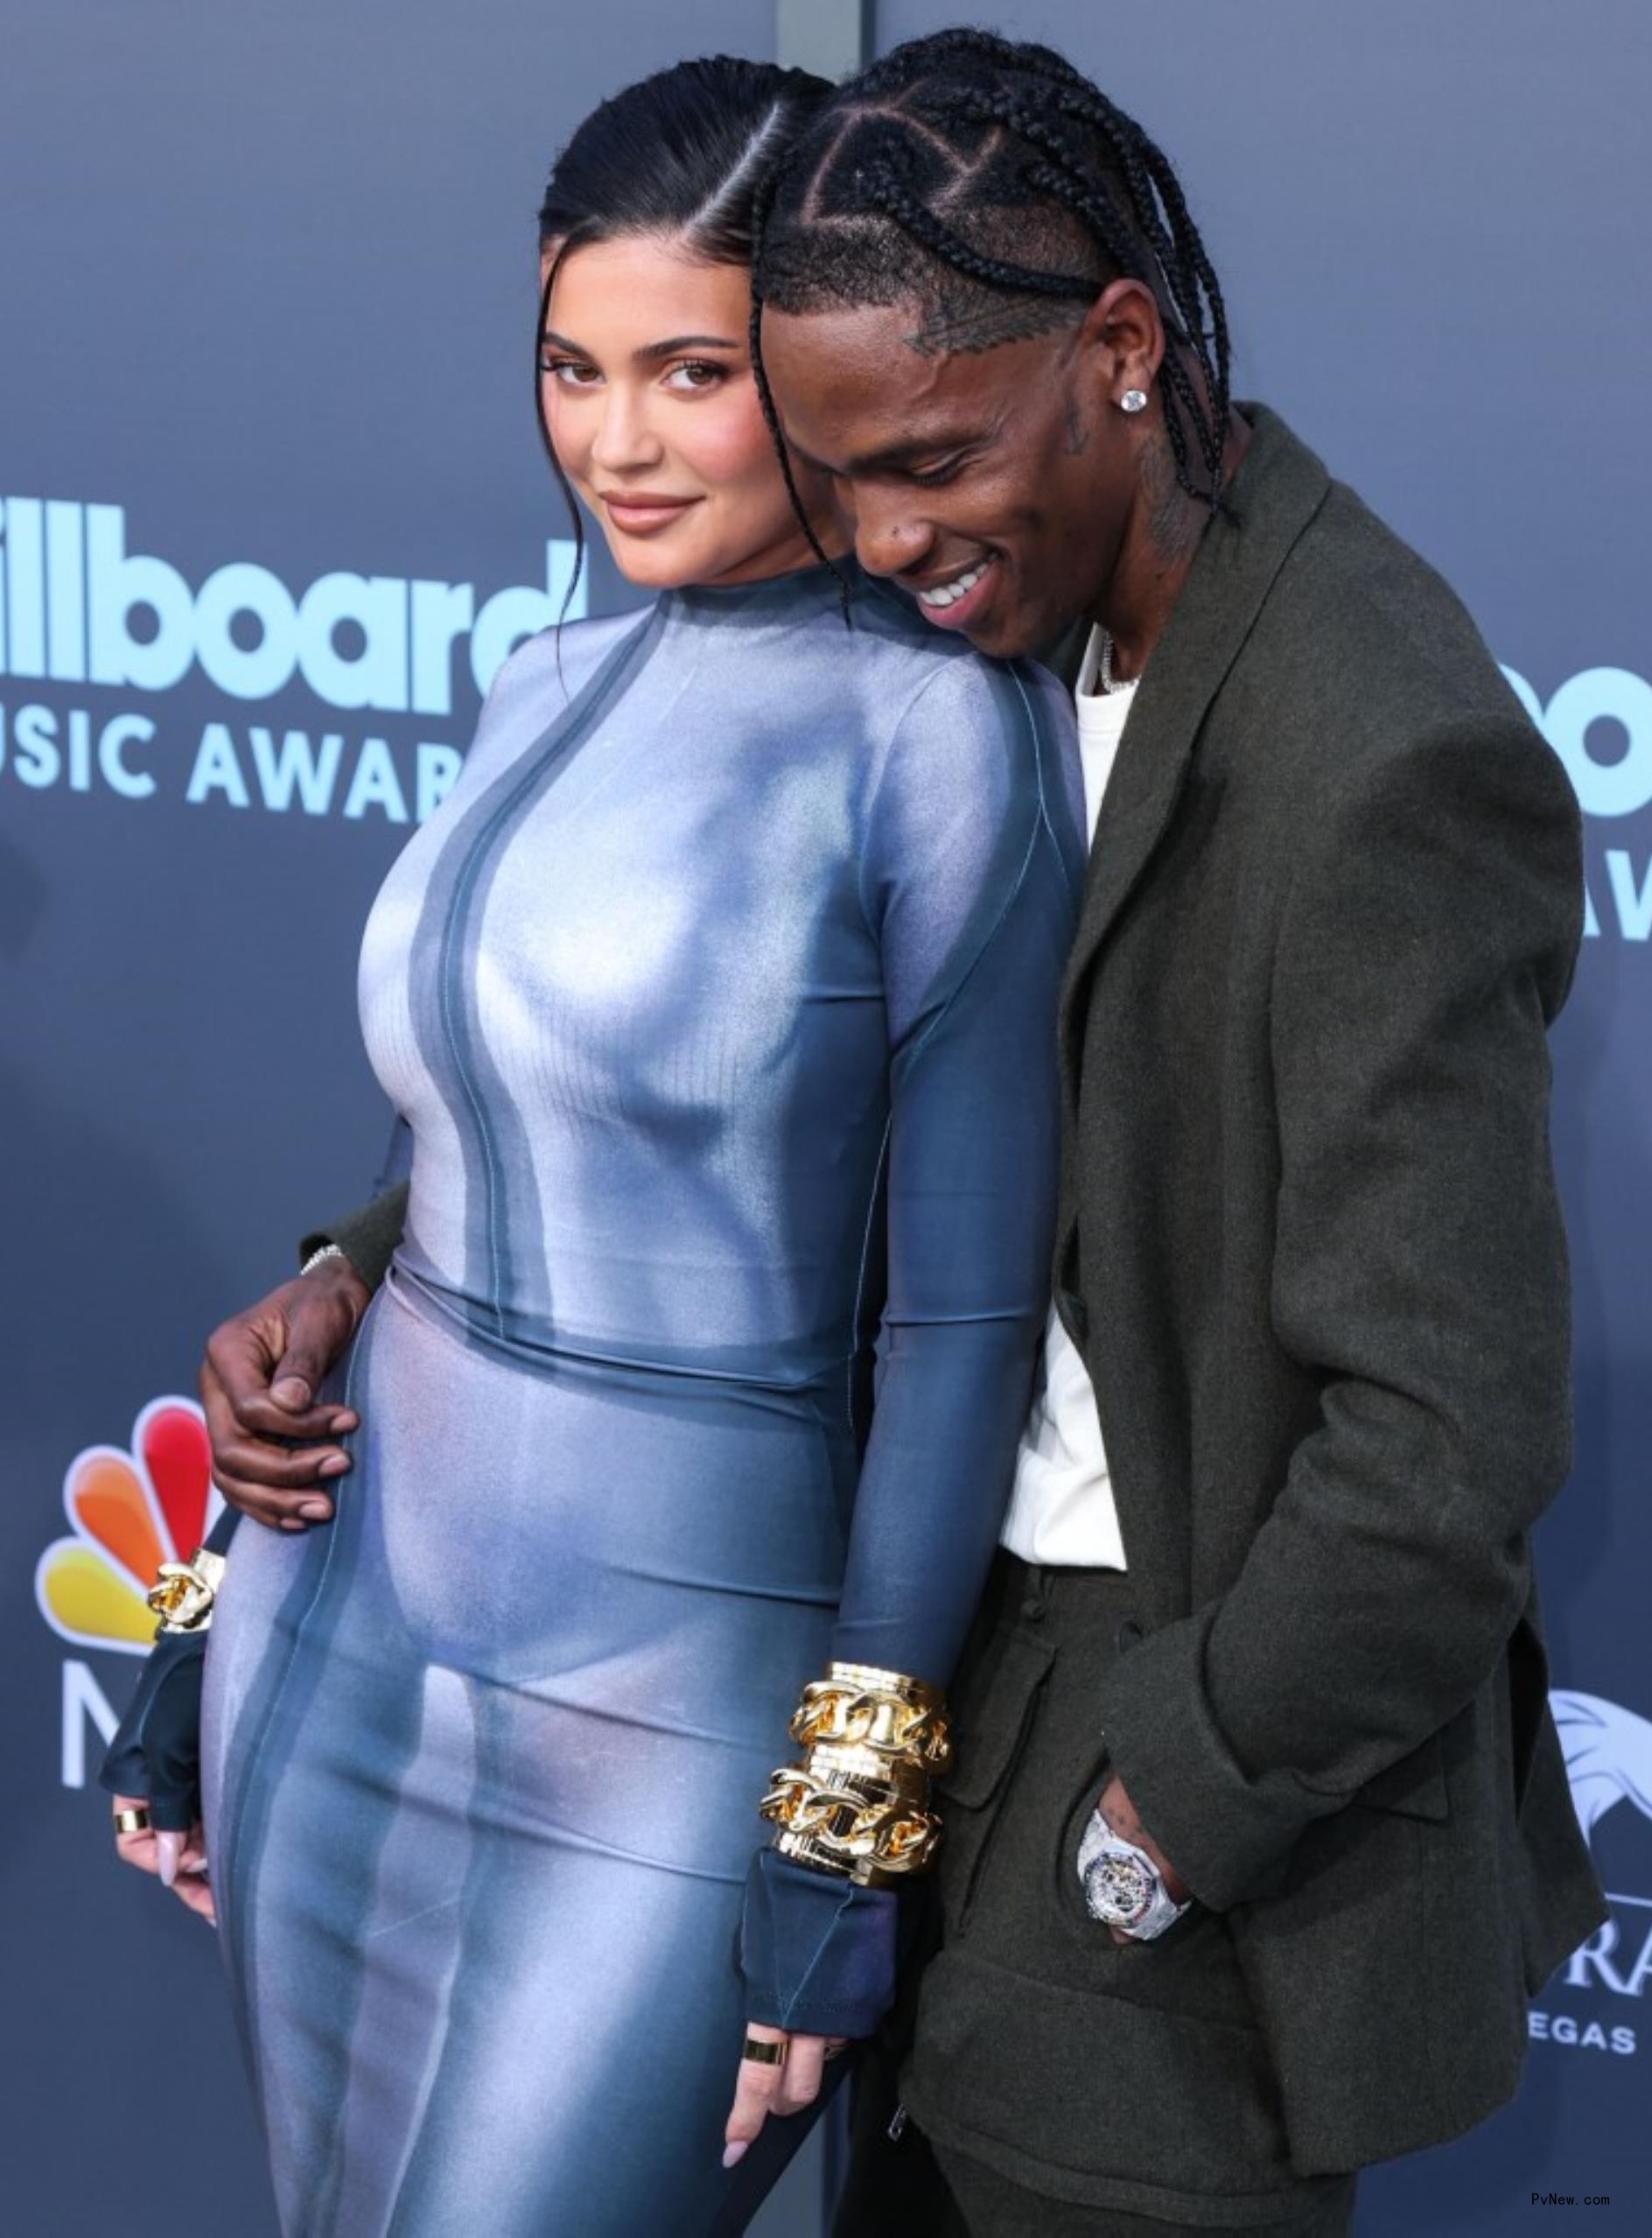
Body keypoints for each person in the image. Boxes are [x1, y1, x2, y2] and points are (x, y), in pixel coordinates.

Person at [104, 53, 1082, 2238]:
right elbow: (445, 1175)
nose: (615, 440)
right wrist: (196, 1620)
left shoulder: (945, 740)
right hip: (332, 1646)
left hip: (668, 1732)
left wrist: (841, 1836)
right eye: (571, 365)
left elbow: (954, 1337)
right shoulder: (540, 679)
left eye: (690, 374)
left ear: (822, 373)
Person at [737, 27, 1602, 2238]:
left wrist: (1166, 1812)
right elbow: (746, 1073)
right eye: (833, 484)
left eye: (931, 457)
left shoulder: (1376, 748)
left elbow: (1443, 1446)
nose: (885, 538)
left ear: (1121, 346)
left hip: (1165, 1756)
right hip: (920, 1671)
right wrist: (370, 1253)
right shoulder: (991, 649)